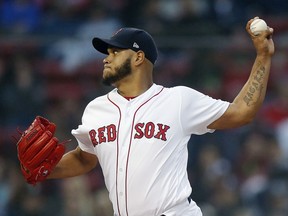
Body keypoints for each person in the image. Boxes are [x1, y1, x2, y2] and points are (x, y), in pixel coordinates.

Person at [47, 17, 274, 216]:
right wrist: (46, 170)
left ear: (138, 57)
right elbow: (84, 158)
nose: (107, 58)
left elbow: (242, 112)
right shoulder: (96, 109)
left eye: (116, 52)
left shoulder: (177, 100)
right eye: (108, 53)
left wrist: (263, 55)